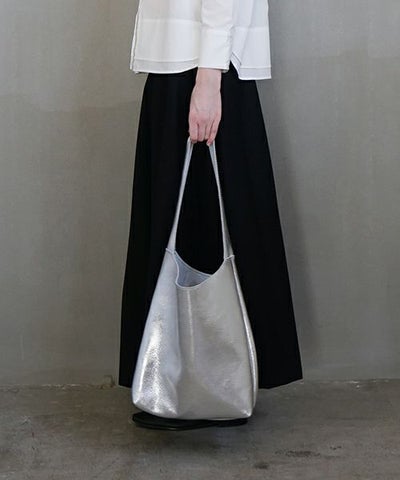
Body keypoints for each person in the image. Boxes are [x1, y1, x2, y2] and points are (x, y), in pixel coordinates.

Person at [118, 0, 303, 430]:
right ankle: (202, 384)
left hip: (197, 67)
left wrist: (208, 78)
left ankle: (203, 389)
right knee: (199, 220)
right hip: (193, 63)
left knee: (197, 223)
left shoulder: (203, 75)